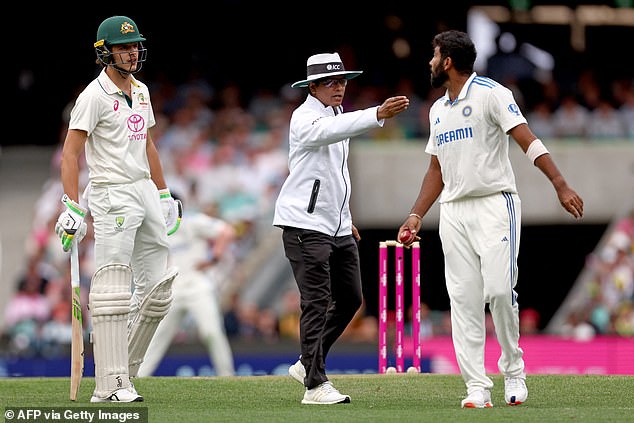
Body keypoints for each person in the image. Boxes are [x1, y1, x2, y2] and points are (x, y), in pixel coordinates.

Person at [397, 30, 584, 409]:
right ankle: (476, 387)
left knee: (499, 291)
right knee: (463, 301)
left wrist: (560, 184)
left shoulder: (492, 94)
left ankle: (513, 370)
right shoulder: (437, 110)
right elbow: (436, 168)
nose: (430, 62)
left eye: (434, 55)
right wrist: (416, 214)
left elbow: (527, 138)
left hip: (495, 204)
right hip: (453, 212)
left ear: (447, 61)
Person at [56, 16, 182, 402]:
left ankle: (121, 373)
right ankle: (109, 386)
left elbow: (148, 145)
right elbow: (70, 153)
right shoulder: (92, 97)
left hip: (143, 189)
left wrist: (163, 194)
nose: (131, 53)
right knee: (112, 290)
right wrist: (73, 206)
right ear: (104, 52)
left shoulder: (142, 91)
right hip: (112, 193)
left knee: (158, 291)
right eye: (123, 47)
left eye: (134, 46)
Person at [273, 52, 409, 405]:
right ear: (313, 87)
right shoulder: (304, 117)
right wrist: (376, 114)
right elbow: (332, 132)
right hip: (303, 223)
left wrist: (345, 217)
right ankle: (315, 385)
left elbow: (336, 176)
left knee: (350, 297)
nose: (339, 87)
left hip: (335, 225)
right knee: (316, 300)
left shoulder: (336, 113)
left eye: (342, 81)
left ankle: (306, 363)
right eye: (331, 82)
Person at [138, 202, 237, 377]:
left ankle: (227, 376)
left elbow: (228, 231)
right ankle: (139, 378)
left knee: (211, 332)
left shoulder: (193, 220)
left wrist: (214, 258)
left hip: (197, 285)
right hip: (173, 288)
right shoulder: (158, 228)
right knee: (157, 336)